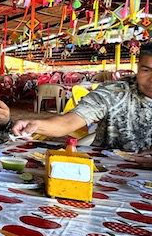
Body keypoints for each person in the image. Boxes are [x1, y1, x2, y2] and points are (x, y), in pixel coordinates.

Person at [13, 42, 152, 157]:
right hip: (109, 172)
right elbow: (68, 122)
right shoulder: (115, 93)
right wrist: (34, 125)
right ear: (138, 68)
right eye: (146, 70)